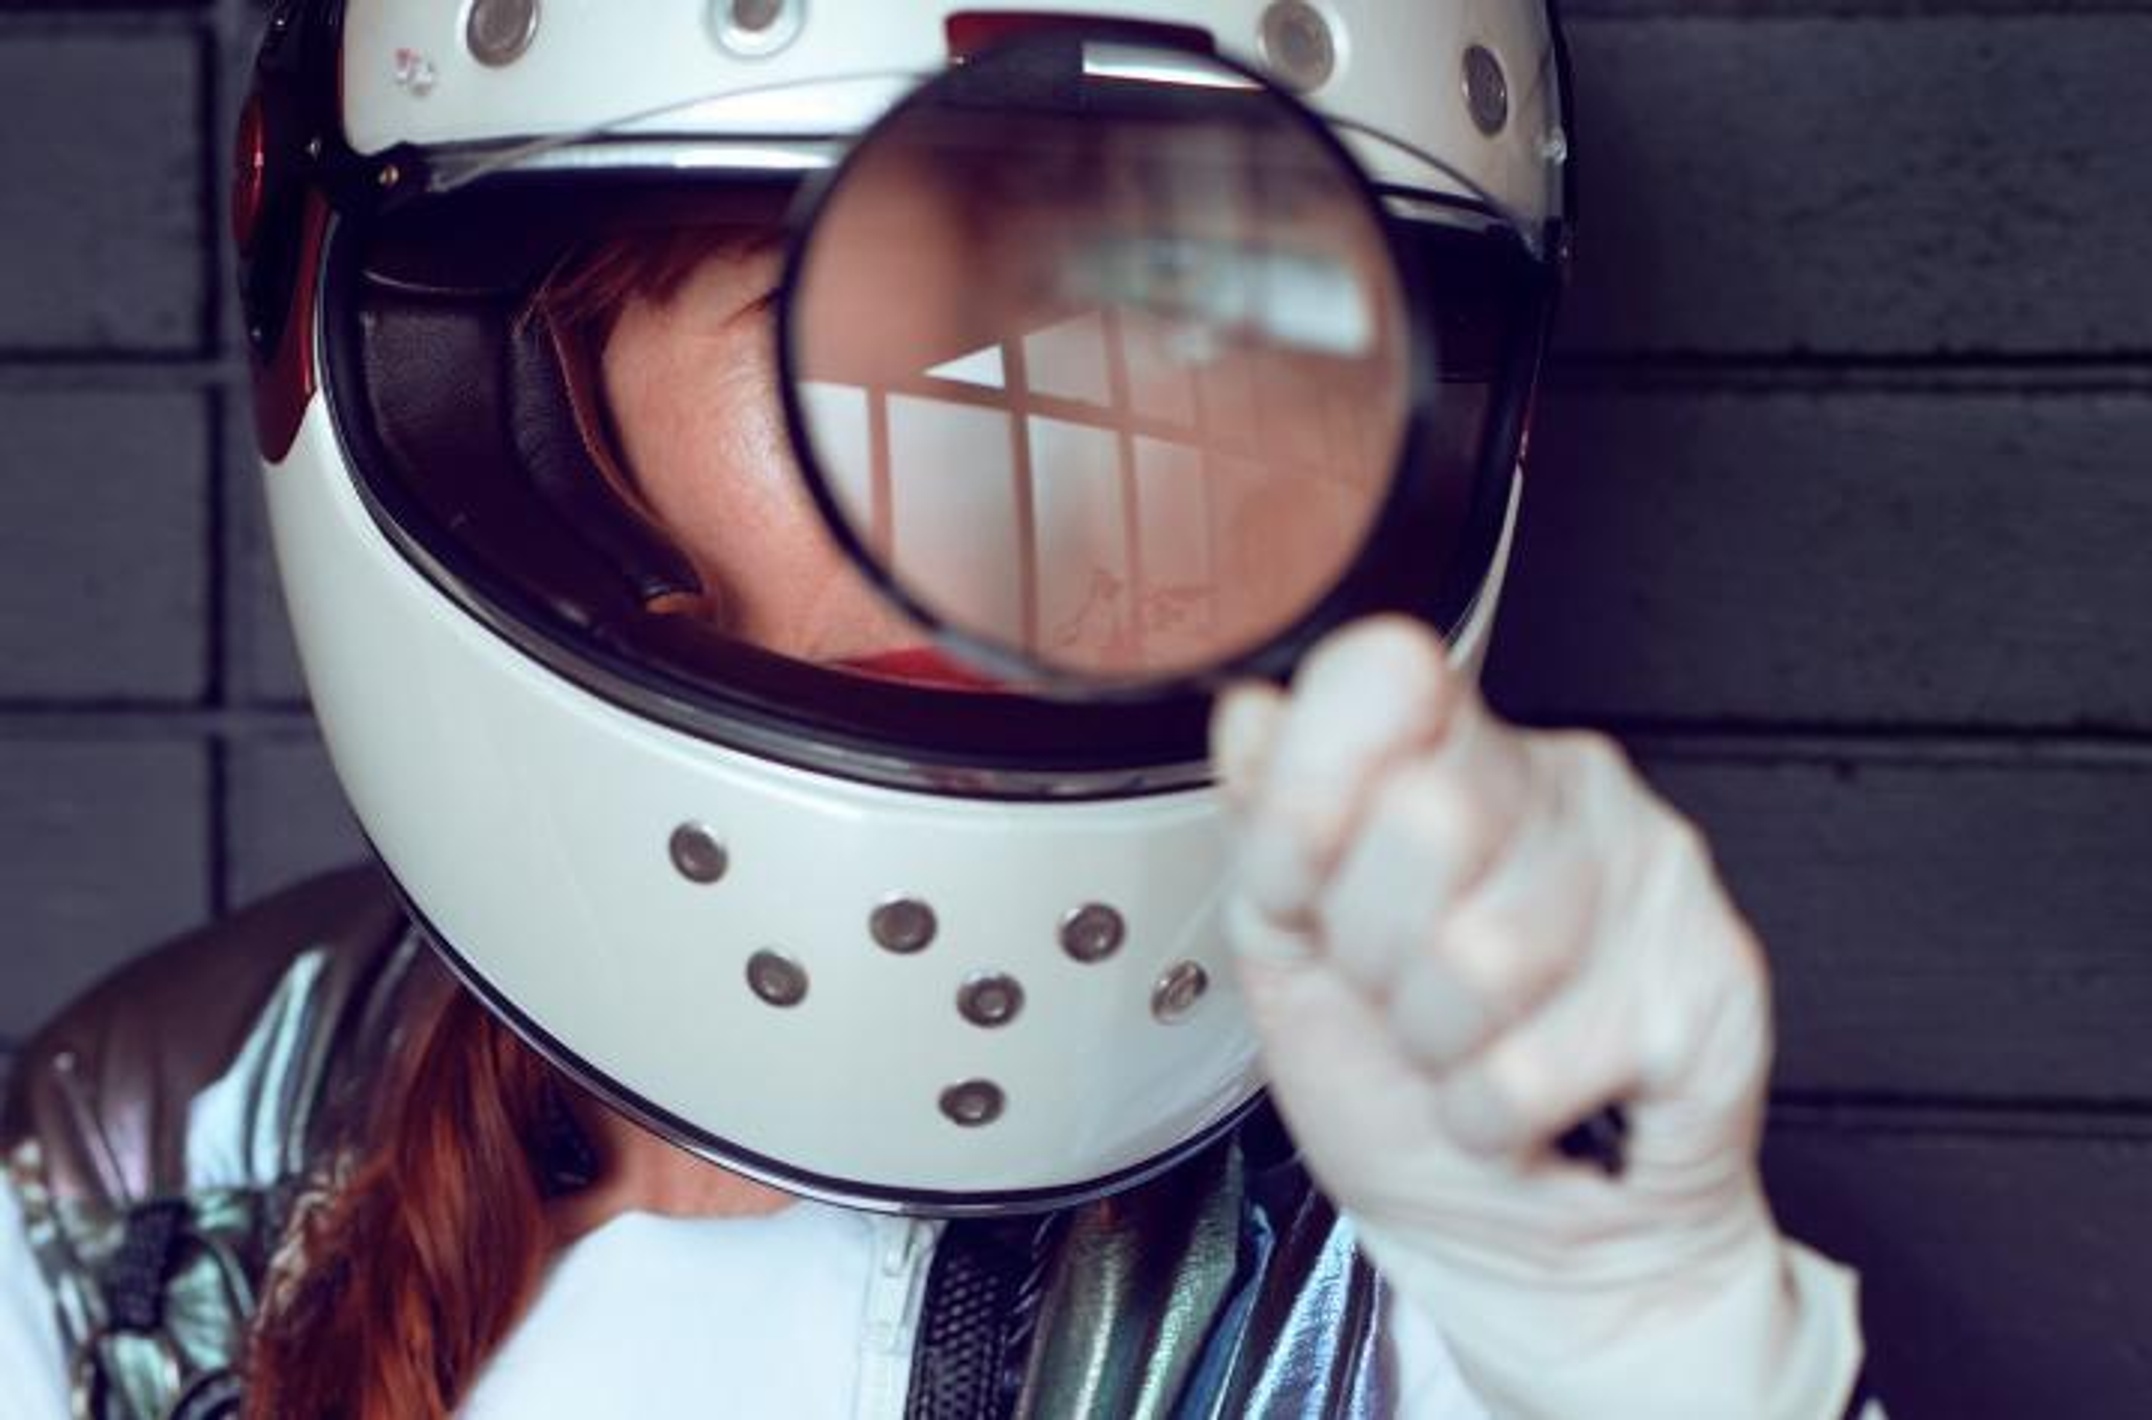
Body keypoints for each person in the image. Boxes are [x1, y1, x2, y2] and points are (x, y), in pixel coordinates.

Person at [1, 1, 1879, 1416]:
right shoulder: (168, 1160)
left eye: (1203, 344)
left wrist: (1656, 1348)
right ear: (530, 390)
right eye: (902, 334)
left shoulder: (1472, 1218)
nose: (1052, 499)